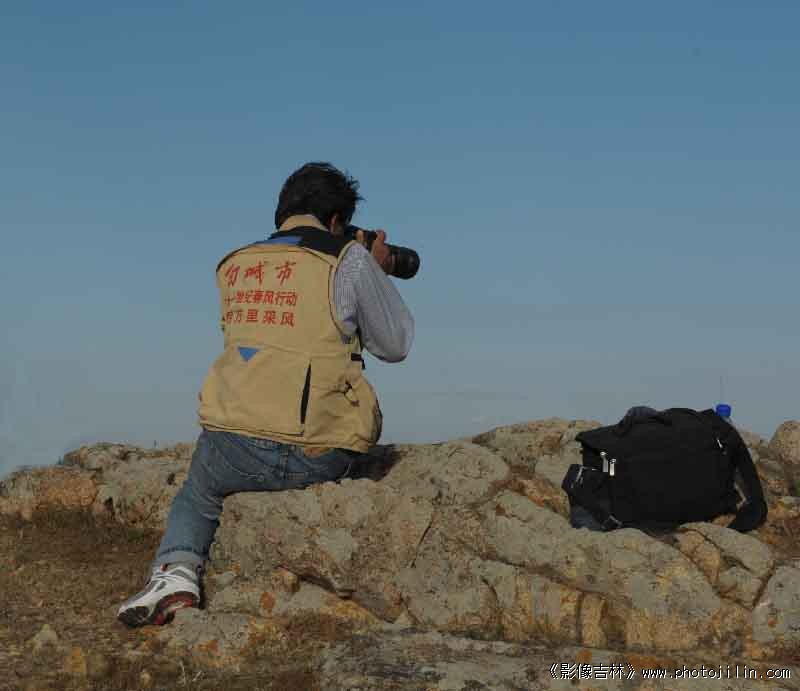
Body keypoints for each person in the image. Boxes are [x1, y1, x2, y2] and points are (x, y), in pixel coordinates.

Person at [117, 162, 414, 627]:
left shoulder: (235, 264)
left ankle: (175, 572)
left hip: (233, 450)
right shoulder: (350, 260)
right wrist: (374, 267)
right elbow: (395, 344)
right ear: (337, 220)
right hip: (322, 452)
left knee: (197, 492)